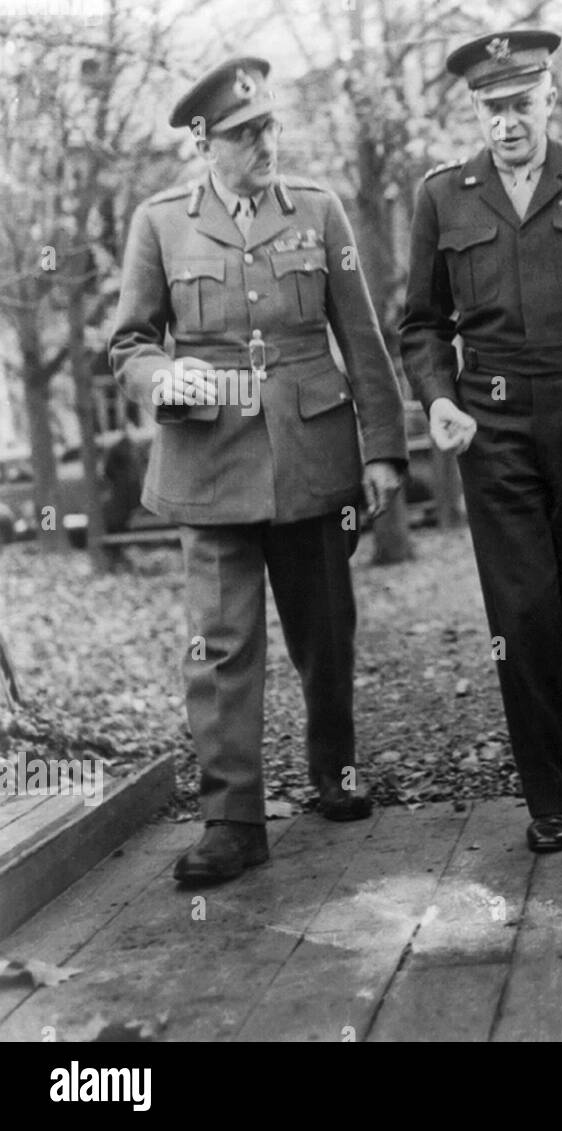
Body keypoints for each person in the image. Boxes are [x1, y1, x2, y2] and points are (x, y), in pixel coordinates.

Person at [110, 57, 408, 885]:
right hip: (208, 464)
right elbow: (128, 344)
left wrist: (383, 448)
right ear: (205, 142)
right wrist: (161, 377)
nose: (266, 142)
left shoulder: (318, 209)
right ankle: (233, 818)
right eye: (246, 134)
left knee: (326, 633)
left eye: (271, 126)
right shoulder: (160, 222)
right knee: (219, 646)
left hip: (312, 455)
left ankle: (334, 770)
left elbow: (363, 334)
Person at [399, 29, 562, 854]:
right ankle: (553, 793)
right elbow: (422, 324)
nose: (507, 122)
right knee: (521, 613)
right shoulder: (444, 196)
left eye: (520, 104)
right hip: (494, 428)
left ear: (550, 99)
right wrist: (439, 398)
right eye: (491, 108)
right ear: (474, 111)